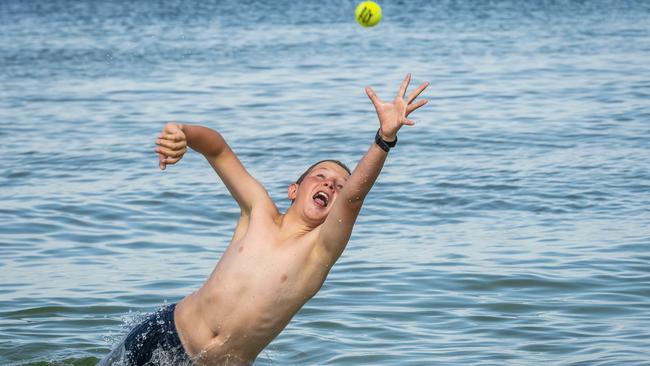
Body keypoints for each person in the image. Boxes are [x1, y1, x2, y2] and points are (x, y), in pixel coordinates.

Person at [100, 74, 429, 365]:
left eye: (339, 186)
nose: (330, 184)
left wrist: (384, 139)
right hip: (164, 333)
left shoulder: (320, 251)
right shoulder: (258, 211)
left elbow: (355, 196)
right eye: (321, 176)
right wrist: (184, 132)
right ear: (293, 190)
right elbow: (217, 150)